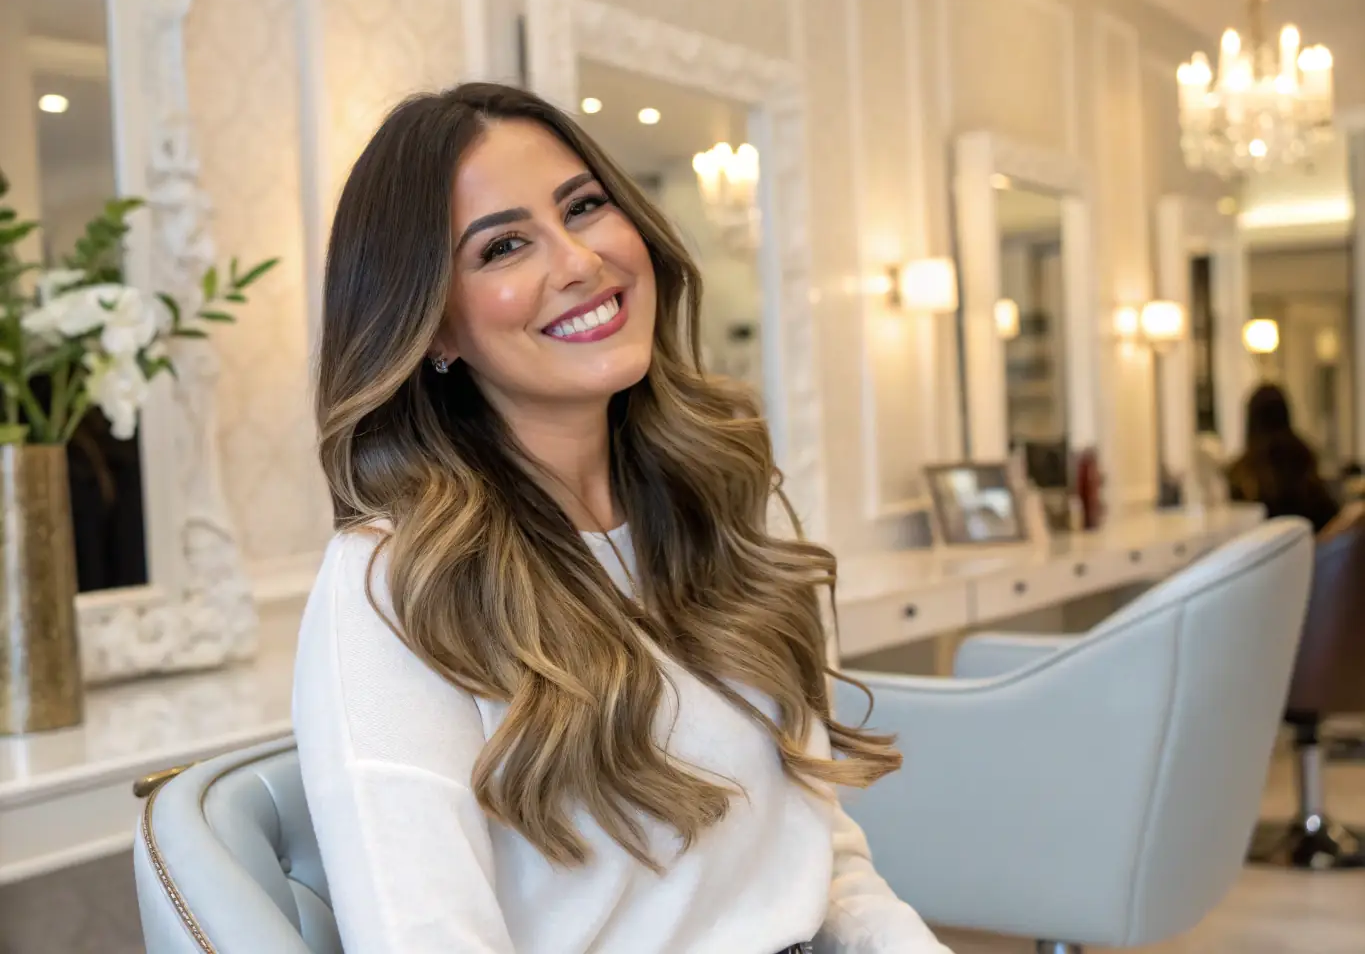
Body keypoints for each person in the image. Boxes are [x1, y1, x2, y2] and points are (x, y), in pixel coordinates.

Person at [293, 82, 951, 954]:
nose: (578, 261)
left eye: (585, 207)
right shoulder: (388, 587)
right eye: (503, 248)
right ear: (432, 330)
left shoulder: (718, 518)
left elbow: (820, 864)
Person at [1227, 383, 1340, 533]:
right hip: (1311, 550)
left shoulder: (1240, 473)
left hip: (1265, 554)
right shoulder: (1303, 456)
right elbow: (1330, 518)